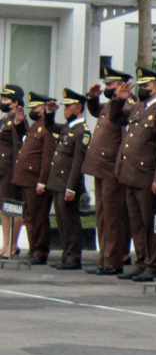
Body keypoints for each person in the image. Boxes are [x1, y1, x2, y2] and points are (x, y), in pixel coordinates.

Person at [109, 67, 156, 282]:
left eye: (146, 86)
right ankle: (141, 262)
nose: (143, 89)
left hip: (147, 174)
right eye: (141, 86)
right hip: (130, 173)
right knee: (136, 222)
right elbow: (116, 119)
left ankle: (153, 264)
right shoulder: (138, 106)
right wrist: (118, 99)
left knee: (149, 222)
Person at [82, 69, 132, 275]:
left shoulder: (127, 107)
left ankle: (113, 261)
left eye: (111, 85)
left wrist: (120, 166)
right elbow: (96, 111)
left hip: (112, 168)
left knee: (113, 219)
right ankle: (104, 258)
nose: (107, 88)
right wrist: (92, 98)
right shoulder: (111, 105)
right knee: (102, 216)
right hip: (100, 168)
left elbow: (125, 141)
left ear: (122, 85)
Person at [11, 93, 59, 264]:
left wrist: (42, 181)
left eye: (36, 107)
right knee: (30, 216)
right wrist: (19, 122)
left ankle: (40, 251)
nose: (33, 111)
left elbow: (47, 157)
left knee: (38, 217)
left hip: (35, 180)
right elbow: (25, 141)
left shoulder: (47, 128)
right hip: (26, 179)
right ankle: (33, 249)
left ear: (45, 108)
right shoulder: (35, 126)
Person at [46, 89, 89, 269]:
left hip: (68, 184)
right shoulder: (68, 127)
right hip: (58, 182)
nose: (65, 109)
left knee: (70, 221)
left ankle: (73, 257)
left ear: (78, 108)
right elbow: (50, 126)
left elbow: (78, 163)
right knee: (62, 221)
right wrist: (50, 112)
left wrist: (71, 188)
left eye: (68, 106)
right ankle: (66, 254)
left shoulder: (82, 131)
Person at [0, 83, 26, 259]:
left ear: (16, 102)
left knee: (13, 207)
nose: (2, 101)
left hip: (11, 170)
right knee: (4, 209)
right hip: (2, 169)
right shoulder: (4, 120)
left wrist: (18, 171)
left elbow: (19, 147)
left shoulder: (18, 120)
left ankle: (13, 245)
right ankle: (6, 245)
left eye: (6, 98)